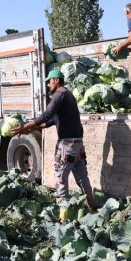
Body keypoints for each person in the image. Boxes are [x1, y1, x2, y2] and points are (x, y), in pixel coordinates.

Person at [11, 69, 93, 210]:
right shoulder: (69, 95)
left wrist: (25, 126)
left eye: (49, 81)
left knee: (61, 178)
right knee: (82, 178)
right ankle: (92, 207)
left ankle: (63, 217)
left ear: (56, 80)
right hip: (78, 145)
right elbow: (52, 121)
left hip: (67, 145)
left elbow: (47, 114)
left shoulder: (59, 94)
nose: (48, 85)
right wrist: (31, 128)